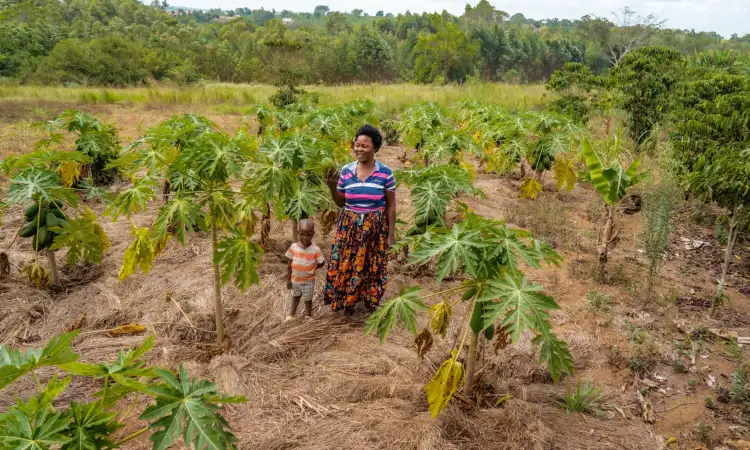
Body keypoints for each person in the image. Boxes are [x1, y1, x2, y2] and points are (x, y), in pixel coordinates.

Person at [323, 125, 396, 315]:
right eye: (357, 145)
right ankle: (348, 301)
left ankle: (369, 301)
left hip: (374, 228)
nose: (359, 149)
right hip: (350, 227)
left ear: (375, 148)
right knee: (347, 263)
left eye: (365, 146)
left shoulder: (385, 173)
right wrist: (332, 187)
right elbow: (341, 203)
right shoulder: (346, 171)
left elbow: (391, 205)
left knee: (372, 264)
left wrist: (390, 235)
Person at [285, 219, 325, 320]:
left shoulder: (315, 249)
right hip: (295, 280)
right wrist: (288, 280)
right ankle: (291, 315)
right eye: (302, 234)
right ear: (298, 233)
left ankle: (308, 315)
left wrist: (313, 268)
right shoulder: (293, 247)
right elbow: (289, 265)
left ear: (313, 234)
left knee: (308, 299)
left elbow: (322, 262)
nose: (305, 237)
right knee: (296, 296)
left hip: (308, 281)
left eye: (308, 235)